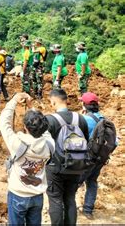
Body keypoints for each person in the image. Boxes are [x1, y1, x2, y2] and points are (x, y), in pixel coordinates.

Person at [0, 92, 54, 226]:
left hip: (18, 194)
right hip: (37, 195)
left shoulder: (17, 143)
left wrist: (13, 100)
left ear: (25, 127)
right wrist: (31, 107)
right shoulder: (49, 145)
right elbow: (44, 130)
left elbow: (3, 122)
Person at [45, 89, 89, 226]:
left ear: (53, 102)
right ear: (66, 100)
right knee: (70, 198)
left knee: (55, 200)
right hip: (76, 166)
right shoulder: (80, 119)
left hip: (56, 168)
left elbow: (44, 146)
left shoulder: (50, 120)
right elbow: (86, 140)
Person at [79, 92, 107, 220]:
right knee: (92, 181)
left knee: (75, 182)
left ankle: (65, 207)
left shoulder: (84, 119)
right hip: (100, 159)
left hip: (87, 158)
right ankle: (88, 210)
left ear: (84, 105)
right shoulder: (104, 119)